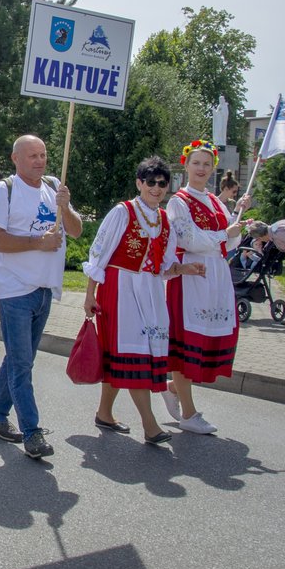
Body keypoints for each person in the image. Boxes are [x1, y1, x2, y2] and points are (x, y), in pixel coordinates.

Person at [83, 156, 205, 444]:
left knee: (126, 355)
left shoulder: (164, 220)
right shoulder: (122, 212)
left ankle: (104, 413)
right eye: (150, 182)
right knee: (134, 354)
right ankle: (150, 425)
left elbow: (164, 267)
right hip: (119, 288)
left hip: (149, 291)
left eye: (162, 184)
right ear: (139, 183)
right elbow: (99, 254)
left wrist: (185, 268)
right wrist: (90, 294)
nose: (156, 188)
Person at [0, 135, 82, 459]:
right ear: (16, 158)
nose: (39, 161)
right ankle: (32, 431)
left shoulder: (54, 186)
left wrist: (64, 207)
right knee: (22, 363)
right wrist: (38, 242)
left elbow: (76, 230)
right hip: (15, 290)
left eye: (43, 155)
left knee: (18, 359)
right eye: (32, 156)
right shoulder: (3, 190)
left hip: (44, 289)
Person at [164, 140, 251, 434]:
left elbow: (231, 240)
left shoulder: (214, 201)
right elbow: (187, 238)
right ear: (186, 165)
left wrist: (236, 221)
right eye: (196, 163)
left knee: (205, 339)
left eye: (206, 164)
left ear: (213, 168)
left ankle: (173, 389)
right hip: (191, 274)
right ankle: (189, 413)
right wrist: (223, 235)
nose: (201, 169)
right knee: (185, 340)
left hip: (216, 273)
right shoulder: (179, 201)